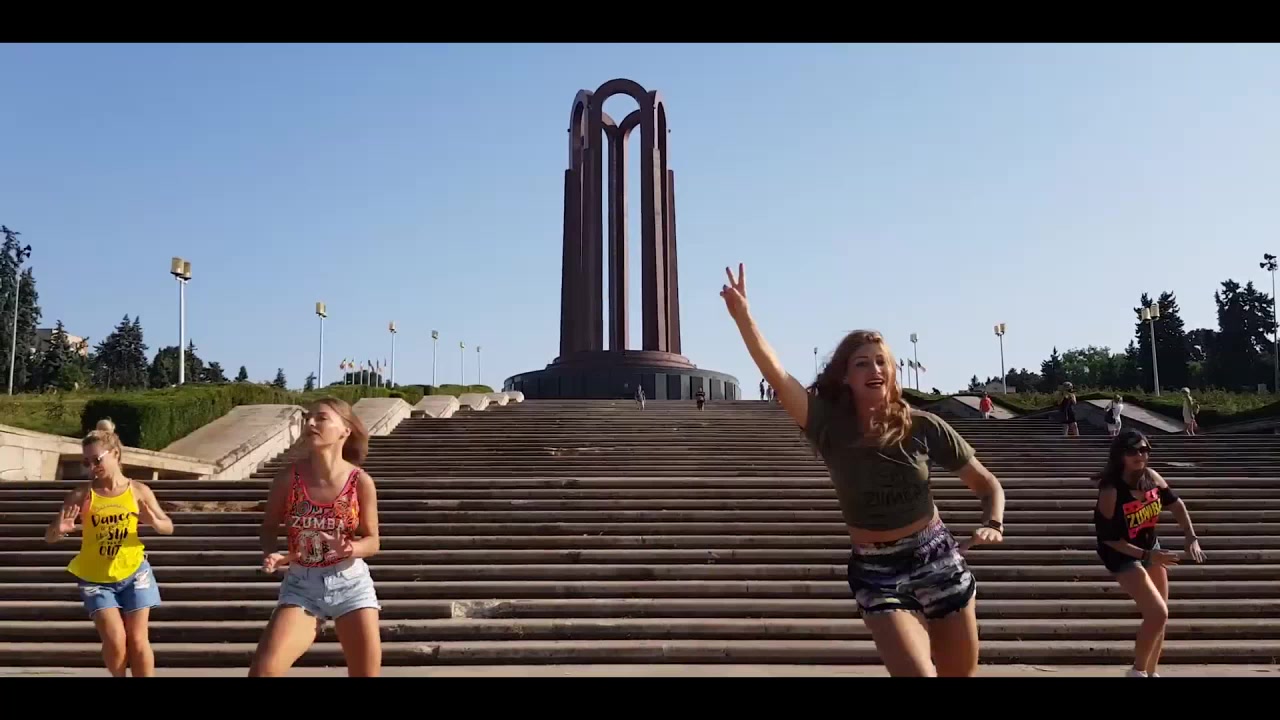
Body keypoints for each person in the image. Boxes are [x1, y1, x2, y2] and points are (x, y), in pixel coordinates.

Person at [720, 263, 1005, 677]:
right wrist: (744, 318)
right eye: (862, 363)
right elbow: (777, 376)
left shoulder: (923, 426)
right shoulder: (827, 425)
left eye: (881, 362)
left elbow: (987, 484)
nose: (875, 370)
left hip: (938, 557)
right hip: (877, 570)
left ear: (893, 372)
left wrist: (993, 522)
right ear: (846, 377)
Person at [249, 398, 382, 677]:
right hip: (302, 584)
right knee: (264, 672)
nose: (310, 423)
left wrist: (350, 548)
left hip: (351, 584)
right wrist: (272, 553)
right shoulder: (288, 478)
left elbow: (373, 541)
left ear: (345, 430)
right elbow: (269, 526)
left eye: (321, 418)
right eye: (307, 418)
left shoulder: (360, 481)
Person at [44, 419, 174, 677]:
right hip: (96, 577)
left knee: (138, 639)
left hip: (135, 572)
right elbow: (49, 537)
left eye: (97, 460)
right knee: (115, 640)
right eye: (86, 462)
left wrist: (154, 522)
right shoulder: (82, 494)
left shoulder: (138, 490)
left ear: (115, 454)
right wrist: (60, 529)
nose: (92, 467)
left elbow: (168, 526)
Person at [1093, 429, 1206, 677]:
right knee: (1157, 612)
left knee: (1160, 617)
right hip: (1121, 554)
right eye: (1132, 451)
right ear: (1120, 454)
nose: (1140, 455)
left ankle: (1152, 673)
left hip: (1150, 547)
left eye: (1144, 450)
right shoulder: (1111, 490)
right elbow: (1108, 538)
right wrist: (1146, 556)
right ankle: (1138, 672)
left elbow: (1176, 504)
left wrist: (1191, 536)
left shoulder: (1151, 477)